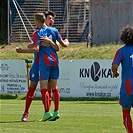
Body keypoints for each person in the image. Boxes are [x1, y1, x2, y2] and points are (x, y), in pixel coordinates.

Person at [16, 12, 69, 122]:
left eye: (53, 19)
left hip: (45, 63)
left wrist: (22, 50)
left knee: (46, 88)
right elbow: (34, 45)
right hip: (40, 63)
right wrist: (34, 44)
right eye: (50, 18)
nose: (52, 20)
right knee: (34, 87)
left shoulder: (42, 32)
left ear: (37, 21)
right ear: (45, 19)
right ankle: (26, 113)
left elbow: (43, 47)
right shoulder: (46, 32)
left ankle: (47, 112)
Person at [112, 25, 133, 133]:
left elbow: (114, 67)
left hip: (128, 86)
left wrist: (115, 73)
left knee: (126, 111)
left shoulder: (121, 51)